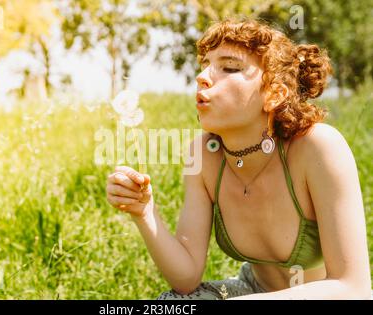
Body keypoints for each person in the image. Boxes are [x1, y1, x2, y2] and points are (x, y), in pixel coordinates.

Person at [105, 18, 372, 299]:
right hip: (251, 291)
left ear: (274, 95)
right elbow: (185, 280)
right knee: (172, 304)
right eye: (205, 64)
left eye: (229, 67)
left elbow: (353, 288)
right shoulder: (204, 156)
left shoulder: (317, 147)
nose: (202, 77)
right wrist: (144, 212)